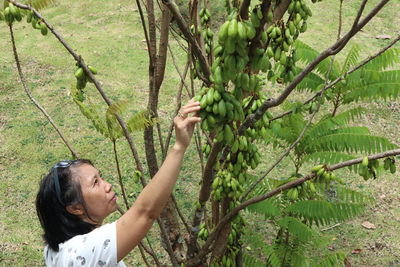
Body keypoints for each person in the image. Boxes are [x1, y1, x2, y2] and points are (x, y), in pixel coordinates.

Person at [36, 100, 201, 266]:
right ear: (75, 208)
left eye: (100, 178)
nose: (107, 185)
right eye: (95, 183)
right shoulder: (80, 255)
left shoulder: (56, 248)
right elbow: (145, 213)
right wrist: (179, 146)